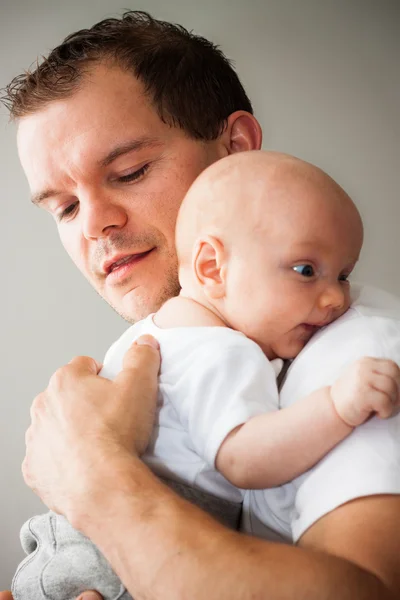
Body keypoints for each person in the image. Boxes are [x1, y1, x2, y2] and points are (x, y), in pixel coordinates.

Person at [1, 10, 400, 600]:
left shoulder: (354, 351)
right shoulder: (180, 342)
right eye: (63, 208)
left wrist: (92, 474)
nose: (94, 224)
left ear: (235, 148)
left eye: (129, 171)